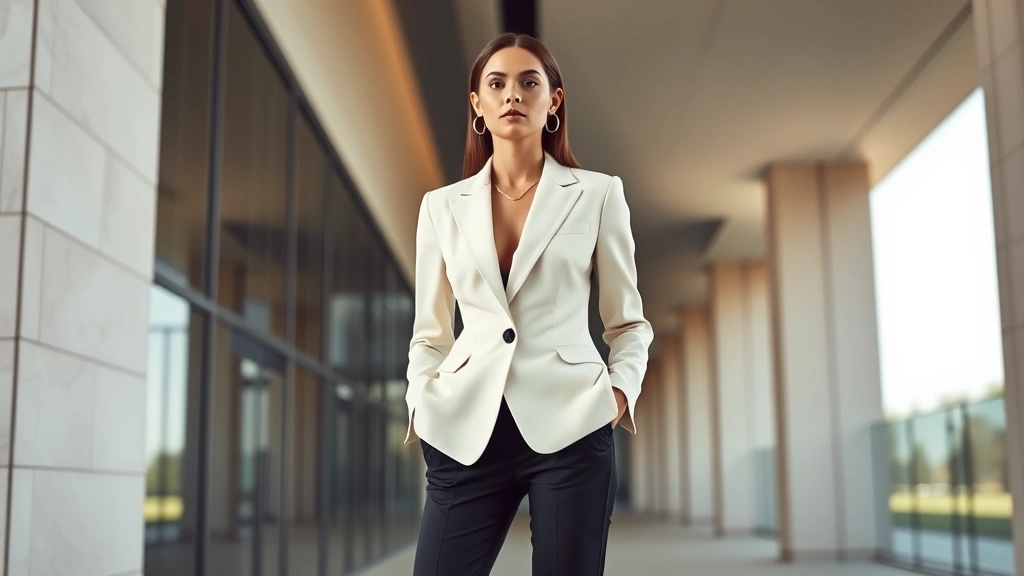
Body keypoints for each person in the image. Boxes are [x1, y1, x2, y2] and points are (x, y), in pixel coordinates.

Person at [404, 32, 653, 576]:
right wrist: (421, 402)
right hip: (465, 428)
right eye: (496, 84)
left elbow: (629, 324)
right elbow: (430, 333)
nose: (512, 94)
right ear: (478, 104)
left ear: (553, 100)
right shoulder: (440, 208)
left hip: (572, 424)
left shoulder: (598, 194)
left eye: (528, 82)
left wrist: (616, 396)